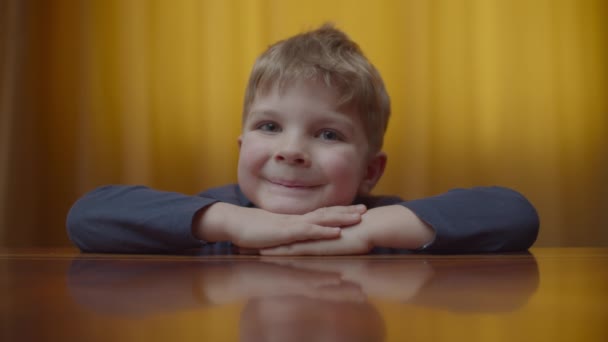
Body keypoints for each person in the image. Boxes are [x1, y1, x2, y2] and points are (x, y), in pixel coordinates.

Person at [66, 24, 539, 255]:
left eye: (327, 133)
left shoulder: (376, 221)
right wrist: (230, 223)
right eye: (268, 126)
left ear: (370, 172)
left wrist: (371, 232)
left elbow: (515, 214)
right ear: (241, 146)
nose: (290, 150)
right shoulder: (217, 218)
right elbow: (88, 215)